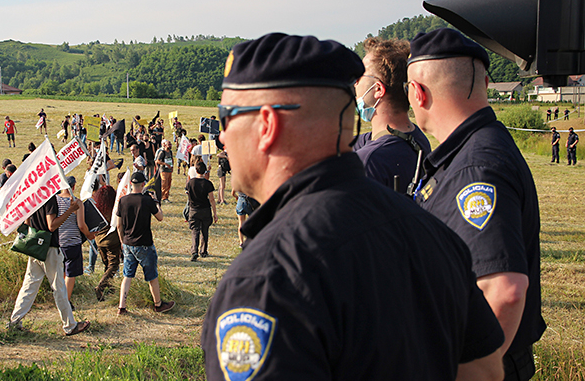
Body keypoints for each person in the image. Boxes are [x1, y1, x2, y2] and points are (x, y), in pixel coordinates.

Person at [202, 33, 505, 380]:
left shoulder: (267, 279)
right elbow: (485, 370)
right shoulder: (435, 233)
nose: (221, 136)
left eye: (226, 116)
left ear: (267, 125)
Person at [406, 28, 545, 380]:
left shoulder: (475, 167)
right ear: (484, 81)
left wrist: (469, 373)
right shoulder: (476, 149)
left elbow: (505, 290)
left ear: (417, 93)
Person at [352, 37, 431, 194]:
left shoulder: (369, 162)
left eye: (360, 76)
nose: (355, 83)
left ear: (378, 89)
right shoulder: (417, 139)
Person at [8, 193, 90, 336]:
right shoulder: (49, 198)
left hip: (35, 247)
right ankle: (70, 326)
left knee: (29, 285)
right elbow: (51, 225)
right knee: (59, 287)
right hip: (50, 248)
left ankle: (15, 321)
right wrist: (70, 210)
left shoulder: (33, 196)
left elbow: (27, 222)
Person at [115, 172, 175, 315]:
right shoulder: (147, 200)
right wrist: (156, 203)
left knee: (127, 275)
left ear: (131, 184)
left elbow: (119, 226)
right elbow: (160, 217)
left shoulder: (123, 201)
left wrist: (122, 241)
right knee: (151, 276)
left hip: (128, 243)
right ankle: (158, 304)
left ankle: (121, 307)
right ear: (143, 184)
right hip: (144, 244)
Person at [56, 176, 95, 306]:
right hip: (72, 241)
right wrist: (89, 235)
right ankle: (65, 301)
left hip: (58, 241)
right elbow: (81, 225)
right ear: (73, 186)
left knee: (61, 272)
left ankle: (61, 297)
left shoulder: (55, 201)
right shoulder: (77, 203)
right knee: (70, 273)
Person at [92, 185, 121, 301]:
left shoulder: (97, 207)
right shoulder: (114, 209)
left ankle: (110, 286)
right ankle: (100, 287)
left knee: (106, 265)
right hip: (112, 241)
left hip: (99, 240)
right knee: (113, 265)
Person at [186, 161, 217, 261]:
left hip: (194, 209)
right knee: (205, 230)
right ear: (205, 171)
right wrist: (215, 213)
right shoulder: (208, 184)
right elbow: (211, 199)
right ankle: (203, 251)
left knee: (195, 231)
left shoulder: (190, 182)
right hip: (205, 209)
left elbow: (187, 194)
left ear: (196, 170)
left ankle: (194, 250)